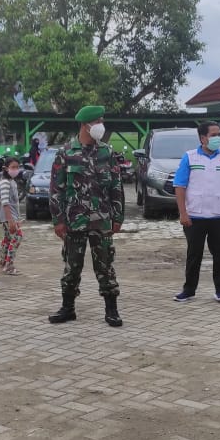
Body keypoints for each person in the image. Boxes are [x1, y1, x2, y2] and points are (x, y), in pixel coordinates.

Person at [48, 105, 125, 327]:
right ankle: (67, 308)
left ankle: (112, 310)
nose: (101, 125)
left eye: (102, 121)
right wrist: (58, 220)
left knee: (105, 265)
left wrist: (118, 217)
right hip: (74, 221)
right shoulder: (65, 153)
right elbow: (56, 190)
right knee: (72, 266)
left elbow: (116, 187)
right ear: (85, 125)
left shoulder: (107, 153)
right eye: (98, 121)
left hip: (101, 220)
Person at [174, 121, 220, 303]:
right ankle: (188, 290)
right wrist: (183, 213)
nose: (217, 138)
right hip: (194, 216)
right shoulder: (190, 157)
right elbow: (180, 186)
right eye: (213, 135)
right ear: (202, 138)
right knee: (194, 254)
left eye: (219, 134)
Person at [0, 157, 24, 275]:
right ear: (5, 168)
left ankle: (3, 262)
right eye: (13, 167)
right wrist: (11, 220)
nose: (16, 170)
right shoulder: (4, 183)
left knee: (8, 238)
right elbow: (5, 203)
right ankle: (9, 265)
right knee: (17, 237)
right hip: (8, 217)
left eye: (17, 167)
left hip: (11, 217)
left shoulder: (11, 181)